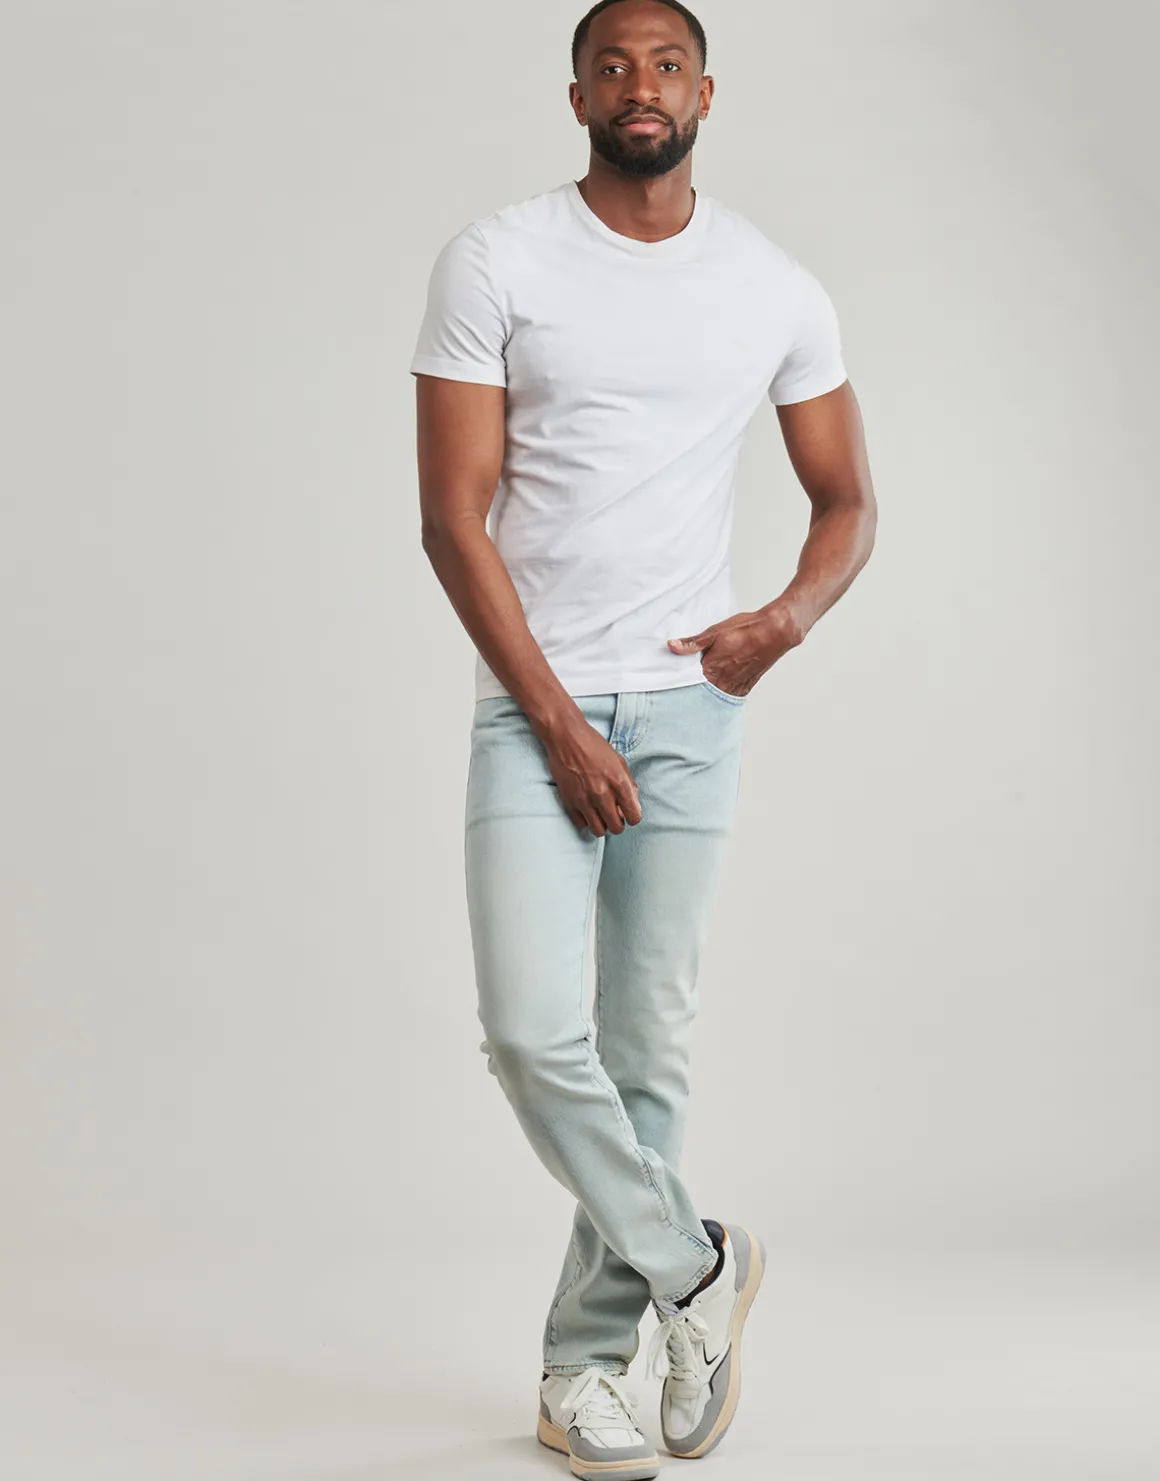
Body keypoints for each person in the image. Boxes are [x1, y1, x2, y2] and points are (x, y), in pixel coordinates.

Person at [410, 0, 876, 1473]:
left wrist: (783, 621)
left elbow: (847, 500)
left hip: (688, 712)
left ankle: (584, 1370)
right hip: (534, 706)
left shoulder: (771, 284)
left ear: (705, 94)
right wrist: (557, 722)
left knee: (646, 1051)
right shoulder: (497, 260)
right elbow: (452, 520)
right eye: (611, 65)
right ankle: (698, 1267)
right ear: (576, 99)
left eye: (666, 63)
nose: (640, 84)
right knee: (532, 1035)